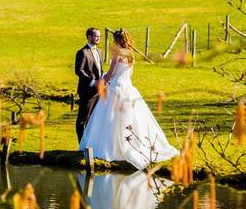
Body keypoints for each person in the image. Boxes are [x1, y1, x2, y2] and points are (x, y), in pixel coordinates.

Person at [79, 28, 179, 170]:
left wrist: (102, 79)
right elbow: (127, 74)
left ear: (119, 40)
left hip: (116, 90)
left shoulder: (118, 54)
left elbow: (111, 75)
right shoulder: (131, 55)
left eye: (114, 40)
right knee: (131, 119)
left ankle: (113, 148)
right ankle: (132, 144)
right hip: (129, 89)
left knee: (111, 120)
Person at [74, 27, 104, 141]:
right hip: (87, 91)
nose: (98, 38)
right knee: (83, 119)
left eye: (99, 36)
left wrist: (104, 78)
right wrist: (93, 82)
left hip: (99, 91)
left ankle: (91, 143)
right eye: (96, 36)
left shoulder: (100, 51)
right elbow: (79, 71)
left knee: (94, 119)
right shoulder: (82, 52)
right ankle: (82, 145)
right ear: (89, 37)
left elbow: (99, 70)